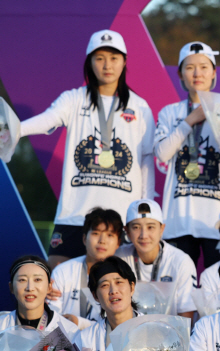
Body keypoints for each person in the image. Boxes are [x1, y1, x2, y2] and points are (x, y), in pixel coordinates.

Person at [18, 30, 155, 268]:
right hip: (74, 214)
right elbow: (48, 119)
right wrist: (16, 129)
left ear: (124, 61)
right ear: (89, 62)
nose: (107, 65)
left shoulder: (140, 107)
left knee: (111, 285)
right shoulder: (74, 99)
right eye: (99, 58)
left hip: (119, 219)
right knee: (57, 278)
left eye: (114, 58)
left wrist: (143, 215)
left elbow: (145, 162)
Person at [155, 41, 220, 268]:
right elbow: (162, 153)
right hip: (179, 219)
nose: (197, 73)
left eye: (204, 67)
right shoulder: (171, 112)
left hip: (218, 218)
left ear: (214, 72)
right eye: (189, 67)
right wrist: (189, 121)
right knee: (177, 289)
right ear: (180, 73)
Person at [115, 199, 196, 320]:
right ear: (127, 231)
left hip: (170, 334)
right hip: (129, 333)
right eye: (136, 227)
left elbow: (186, 315)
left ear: (162, 229)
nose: (144, 235)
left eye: (150, 227)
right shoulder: (119, 258)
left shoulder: (181, 261)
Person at [48, 207, 124, 329]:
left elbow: (120, 324)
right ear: (84, 238)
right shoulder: (62, 272)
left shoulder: (123, 276)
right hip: (65, 343)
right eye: (95, 233)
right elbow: (51, 318)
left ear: (118, 243)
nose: (102, 241)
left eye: (110, 235)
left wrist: (80, 323)